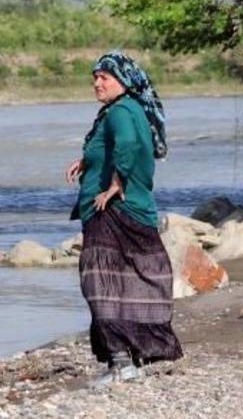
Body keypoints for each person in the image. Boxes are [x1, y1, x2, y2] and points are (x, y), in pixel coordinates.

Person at [65, 51, 182, 386]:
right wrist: (88, 161)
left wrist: (116, 183)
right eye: (95, 77)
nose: (97, 83)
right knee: (130, 282)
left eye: (104, 77)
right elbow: (119, 145)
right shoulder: (129, 109)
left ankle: (120, 364)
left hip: (112, 212)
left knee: (100, 285)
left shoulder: (119, 112)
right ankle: (135, 359)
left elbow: (128, 145)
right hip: (132, 210)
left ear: (124, 81)